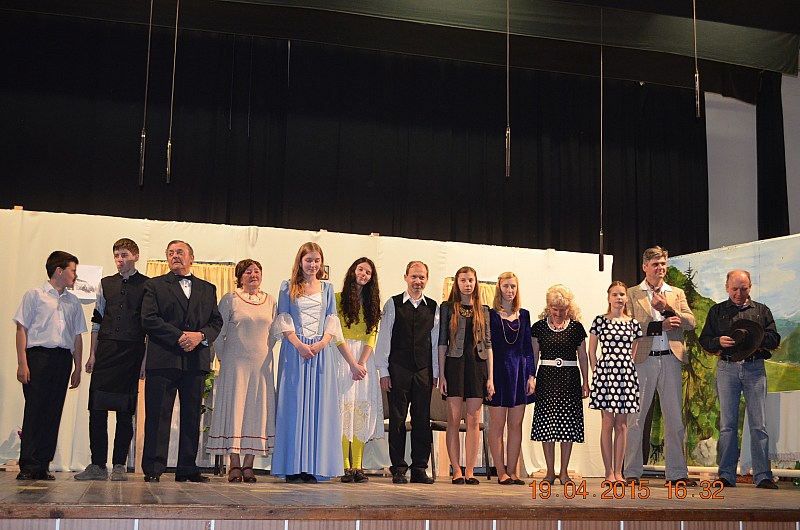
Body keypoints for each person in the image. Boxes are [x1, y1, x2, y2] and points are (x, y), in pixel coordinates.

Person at [140, 240, 223, 483]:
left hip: (195, 361)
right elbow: (149, 319)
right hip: (163, 359)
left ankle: (187, 468)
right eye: (170, 253)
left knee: (191, 416)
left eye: (180, 252)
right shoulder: (154, 285)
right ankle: (153, 468)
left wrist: (200, 336)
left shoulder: (208, 288)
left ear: (191, 257)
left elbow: (216, 322)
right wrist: (179, 336)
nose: (175, 256)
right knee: (157, 416)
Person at [271, 242, 353, 483]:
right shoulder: (287, 286)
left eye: (317, 260)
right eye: (308, 260)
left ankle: (313, 466)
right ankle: (293, 466)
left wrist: (320, 344)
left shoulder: (327, 288)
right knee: (294, 408)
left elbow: (331, 320)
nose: (313, 265)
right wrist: (299, 345)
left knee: (319, 409)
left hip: (320, 354)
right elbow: (284, 319)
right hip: (295, 352)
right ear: (300, 261)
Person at [698, 270, 780, 490]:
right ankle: (726, 475)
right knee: (727, 425)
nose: (739, 293)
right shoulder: (717, 311)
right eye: (734, 289)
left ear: (750, 287)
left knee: (759, 425)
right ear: (727, 287)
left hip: (755, 369)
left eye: (743, 289)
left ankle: (762, 476)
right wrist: (718, 341)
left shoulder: (761, 310)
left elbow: (774, 338)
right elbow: (705, 339)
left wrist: (757, 338)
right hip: (727, 369)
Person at [75, 239, 148, 482]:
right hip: (106, 351)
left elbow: (149, 328)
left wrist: (144, 361)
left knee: (125, 412)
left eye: (124, 255)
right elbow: (97, 320)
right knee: (97, 409)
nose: (119, 259)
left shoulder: (148, 285)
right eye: (116, 255)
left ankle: (118, 465)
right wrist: (92, 354)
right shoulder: (105, 284)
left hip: (131, 353)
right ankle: (97, 464)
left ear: (135, 256)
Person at [624, 246, 696, 487]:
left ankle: (677, 474)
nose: (660, 268)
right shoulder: (632, 293)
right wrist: (658, 326)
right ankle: (631, 472)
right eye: (655, 264)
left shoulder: (675, 293)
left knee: (674, 420)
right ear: (645, 267)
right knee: (635, 419)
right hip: (642, 360)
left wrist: (667, 309)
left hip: (671, 359)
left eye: (663, 264)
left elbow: (691, 322)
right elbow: (628, 325)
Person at [13, 251, 87, 481]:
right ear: (59, 270)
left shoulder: (73, 301)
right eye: (73, 270)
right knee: (35, 410)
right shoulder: (35, 295)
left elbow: (77, 336)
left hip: (62, 359)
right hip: (38, 357)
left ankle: (42, 465)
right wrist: (22, 362)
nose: (75, 275)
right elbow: (22, 329)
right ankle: (28, 465)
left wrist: (77, 367)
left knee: (53, 411)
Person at [207, 259, 277, 483]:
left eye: (257, 271)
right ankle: (234, 464)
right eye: (248, 272)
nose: (253, 275)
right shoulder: (230, 299)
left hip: (261, 366)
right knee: (235, 411)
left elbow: (273, 334)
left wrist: (263, 354)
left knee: (257, 412)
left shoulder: (270, 301)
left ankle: (249, 465)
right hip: (234, 364)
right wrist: (224, 358)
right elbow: (219, 333)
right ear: (239, 277)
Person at [375, 261, 439, 484]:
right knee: (398, 420)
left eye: (422, 277)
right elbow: (384, 339)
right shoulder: (393, 304)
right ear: (406, 277)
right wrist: (383, 371)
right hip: (398, 369)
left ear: (426, 280)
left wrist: (435, 372)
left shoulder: (433, 307)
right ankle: (399, 469)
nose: (417, 281)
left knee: (422, 420)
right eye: (414, 276)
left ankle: (419, 468)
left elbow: (434, 343)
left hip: (423, 371)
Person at [438, 266, 494, 485]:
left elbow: (488, 344)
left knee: (473, 419)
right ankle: (456, 470)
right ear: (457, 283)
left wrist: (491, 378)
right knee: (453, 419)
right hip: (454, 365)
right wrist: (441, 375)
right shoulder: (447, 307)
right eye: (463, 280)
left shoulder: (484, 310)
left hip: (477, 366)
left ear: (476, 282)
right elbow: (442, 343)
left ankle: (470, 470)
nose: (467, 284)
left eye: (470, 280)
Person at [530, 284, 589, 485]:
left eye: (562, 309)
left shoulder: (576, 328)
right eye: (555, 309)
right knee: (547, 425)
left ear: (569, 308)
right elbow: (534, 355)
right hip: (546, 379)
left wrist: (586, 382)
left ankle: (563, 472)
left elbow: (583, 356)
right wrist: (531, 378)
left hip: (569, 379)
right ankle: (549, 472)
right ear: (549, 307)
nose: (558, 313)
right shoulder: (538, 327)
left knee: (567, 426)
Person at [588, 281, 642, 482]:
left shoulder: (633, 324)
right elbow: (591, 351)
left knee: (622, 425)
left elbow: (633, 352)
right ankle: (608, 472)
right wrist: (597, 372)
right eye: (615, 294)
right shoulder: (600, 321)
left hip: (625, 375)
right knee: (607, 423)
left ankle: (619, 472)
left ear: (626, 298)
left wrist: (626, 369)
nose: (619, 298)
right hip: (605, 374)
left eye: (622, 294)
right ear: (608, 298)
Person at [486, 272, 535, 486]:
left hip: (519, 373)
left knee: (516, 425)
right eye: (506, 286)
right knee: (497, 425)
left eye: (513, 286)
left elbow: (528, 348)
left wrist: (531, 375)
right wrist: (489, 378)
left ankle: (513, 471)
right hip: (498, 372)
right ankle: (501, 472)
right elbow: (487, 346)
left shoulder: (524, 315)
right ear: (499, 288)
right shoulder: (490, 315)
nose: (510, 290)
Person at [335, 257, 381, 483]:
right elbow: (335, 334)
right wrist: (352, 363)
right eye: (360, 269)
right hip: (343, 358)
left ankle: (358, 465)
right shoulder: (337, 299)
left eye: (368, 272)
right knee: (344, 411)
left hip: (364, 360)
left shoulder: (373, 304)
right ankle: (345, 465)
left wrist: (361, 363)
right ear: (353, 271)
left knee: (362, 410)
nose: (363, 274)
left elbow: (372, 335)